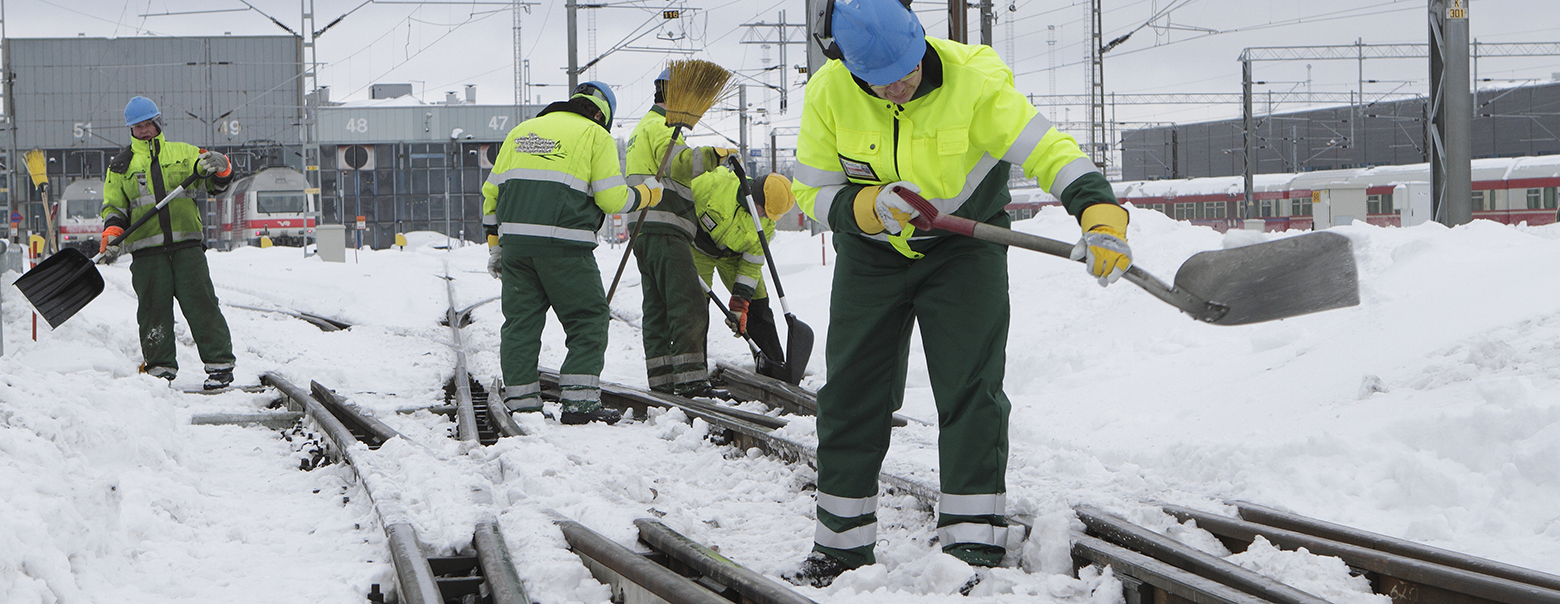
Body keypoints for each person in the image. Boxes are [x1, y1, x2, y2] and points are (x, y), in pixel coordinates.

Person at [785, 0, 1133, 587]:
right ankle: (840, 548)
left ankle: (973, 544)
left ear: (922, 42)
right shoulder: (829, 94)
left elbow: (1051, 152)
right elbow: (811, 193)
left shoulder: (977, 84)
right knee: (850, 393)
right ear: (849, 68)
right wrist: (867, 207)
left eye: (907, 71)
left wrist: (1100, 215)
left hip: (965, 253)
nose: (898, 88)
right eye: (881, 81)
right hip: (871, 255)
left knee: (970, 388)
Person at [482, 81, 663, 425]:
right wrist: (646, 195)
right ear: (600, 114)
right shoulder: (596, 136)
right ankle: (580, 404)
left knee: (520, 324)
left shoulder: (521, 132)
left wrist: (495, 247)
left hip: (516, 249)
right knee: (588, 318)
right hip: (564, 247)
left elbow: (491, 195)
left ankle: (522, 404)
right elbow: (612, 199)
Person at [100, 95, 238, 390]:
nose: (145, 130)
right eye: (138, 126)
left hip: (187, 248)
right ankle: (160, 370)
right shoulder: (121, 166)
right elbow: (114, 208)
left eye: (149, 123)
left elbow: (215, 185)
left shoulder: (186, 154)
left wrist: (222, 167)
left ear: (157, 122)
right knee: (153, 311)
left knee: (202, 305)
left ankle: (220, 366)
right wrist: (111, 235)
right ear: (130, 130)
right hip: (147, 255)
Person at [624, 68, 738, 398]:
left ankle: (662, 381)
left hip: (645, 229)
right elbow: (681, 164)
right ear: (675, 94)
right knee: (688, 302)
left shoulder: (642, 127)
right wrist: (716, 155)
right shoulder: (662, 126)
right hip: (664, 226)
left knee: (658, 306)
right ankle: (691, 381)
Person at [690, 166, 794, 381]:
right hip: (699, 248)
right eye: (763, 210)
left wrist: (740, 304)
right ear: (754, 196)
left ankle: (773, 369)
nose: (766, 217)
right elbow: (680, 199)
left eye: (770, 215)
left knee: (759, 307)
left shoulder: (767, 222)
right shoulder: (714, 184)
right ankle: (693, 372)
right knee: (695, 308)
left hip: (734, 256)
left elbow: (752, 263)